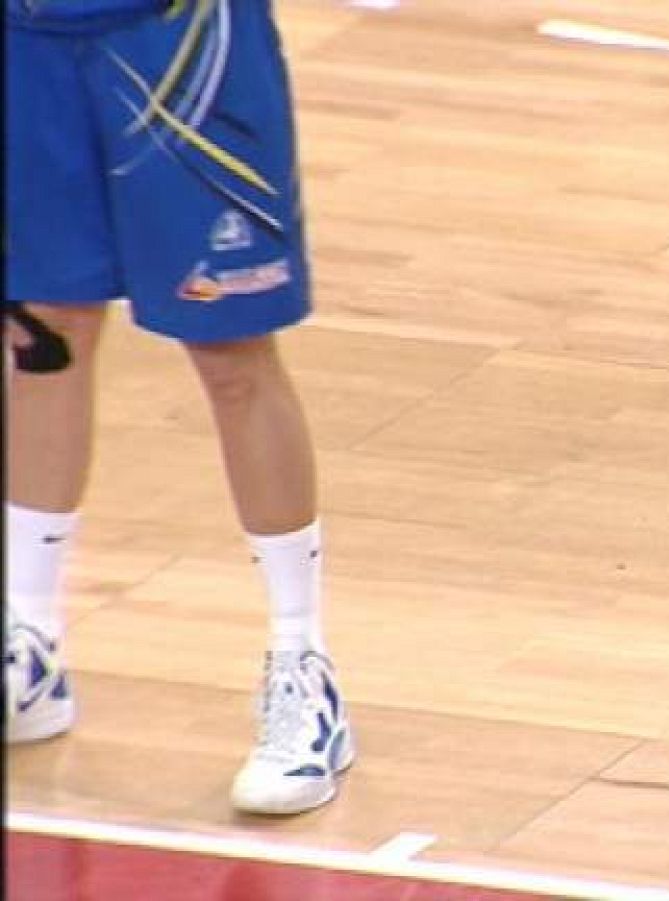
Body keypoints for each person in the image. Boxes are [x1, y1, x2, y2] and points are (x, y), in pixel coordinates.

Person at [5, 0, 353, 816]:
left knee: (230, 351)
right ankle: (29, 644)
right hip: (24, 36)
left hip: (182, 37)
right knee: (41, 329)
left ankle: (304, 666)